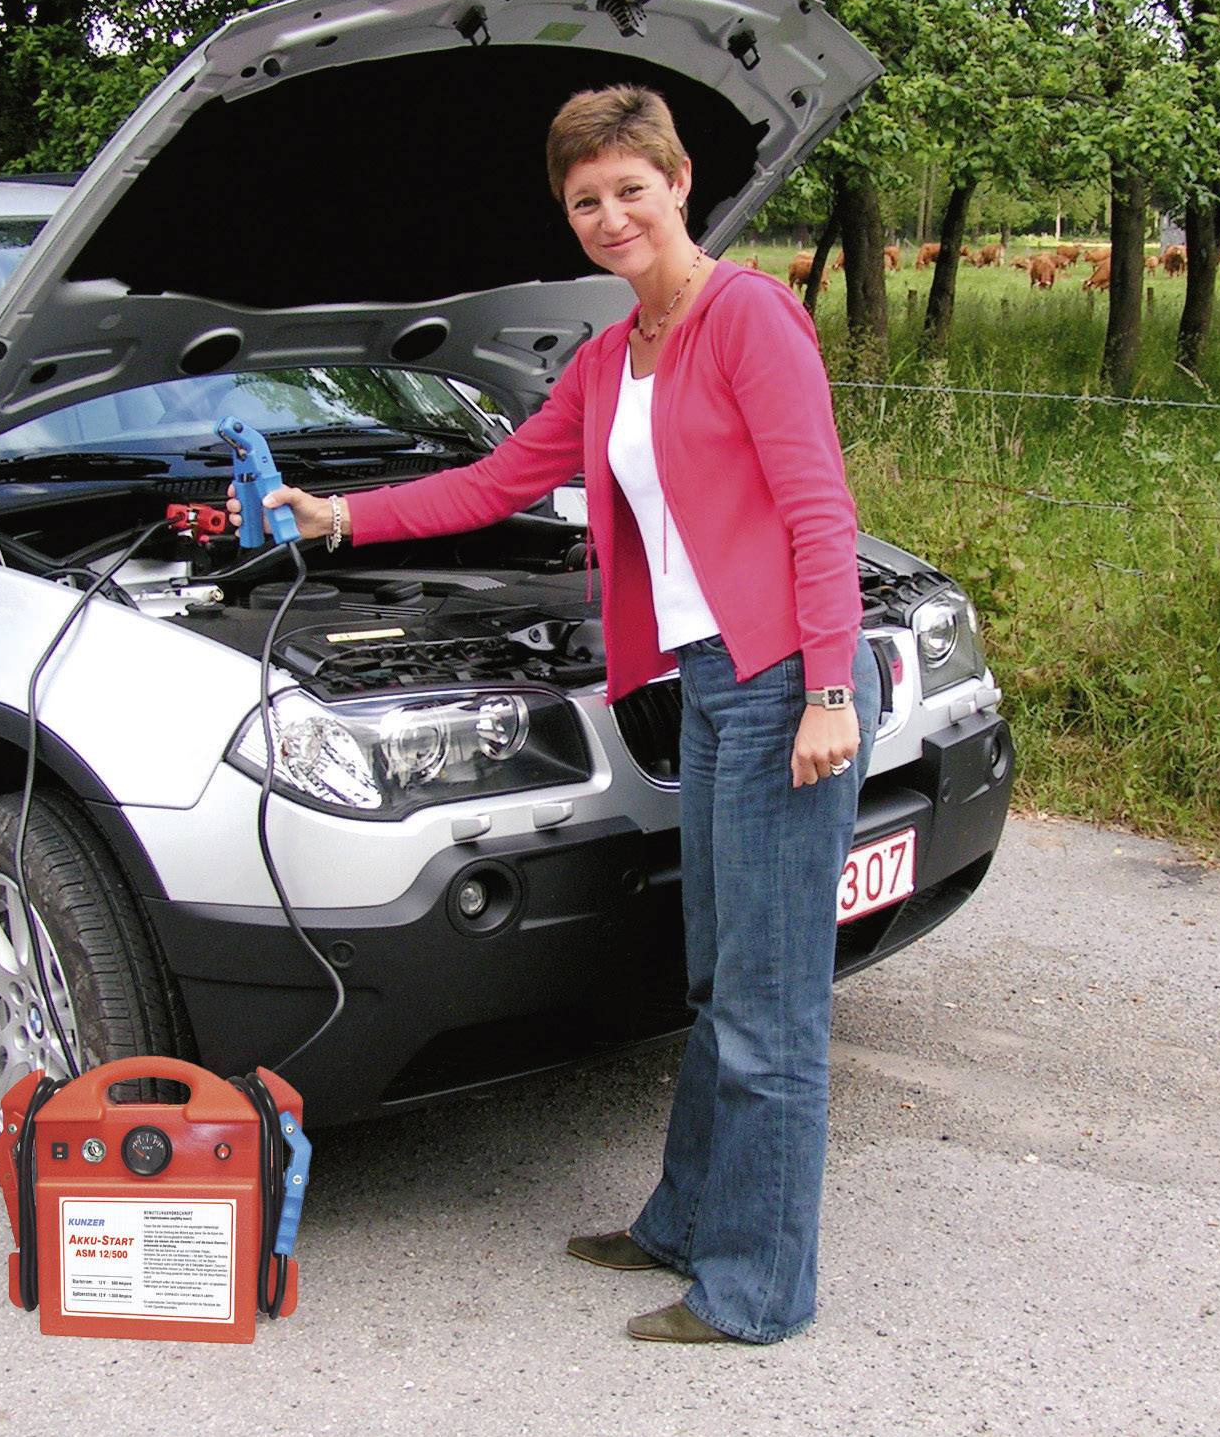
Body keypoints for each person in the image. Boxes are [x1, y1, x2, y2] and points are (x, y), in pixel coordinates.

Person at [245, 85, 877, 1344]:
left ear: (679, 181)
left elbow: (820, 513)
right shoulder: (610, 357)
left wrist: (822, 687)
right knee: (718, 983)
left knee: (771, 1004)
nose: (607, 216)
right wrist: (339, 516)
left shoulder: (746, 318)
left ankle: (757, 1291)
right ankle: (685, 1223)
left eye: (628, 190)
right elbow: (493, 481)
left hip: (781, 686)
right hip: (710, 687)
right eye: (585, 200)